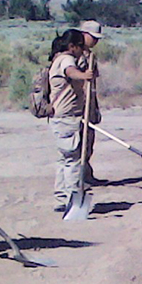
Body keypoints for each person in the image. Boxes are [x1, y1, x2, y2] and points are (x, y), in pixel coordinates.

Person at [48, 29, 97, 212]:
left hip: (61, 119)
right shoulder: (66, 59)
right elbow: (71, 72)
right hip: (67, 119)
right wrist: (85, 76)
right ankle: (73, 200)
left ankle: (61, 199)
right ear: (72, 46)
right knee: (73, 161)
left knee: (64, 160)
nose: (82, 52)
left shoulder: (57, 59)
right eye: (80, 48)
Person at [77, 20, 104, 182]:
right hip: (78, 105)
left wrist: (95, 107)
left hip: (89, 104)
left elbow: (92, 85)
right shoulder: (75, 55)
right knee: (78, 142)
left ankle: (87, 174)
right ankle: (78, 177)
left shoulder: (91, 57)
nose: (96, 41)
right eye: (93, 37)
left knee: (89, 140)